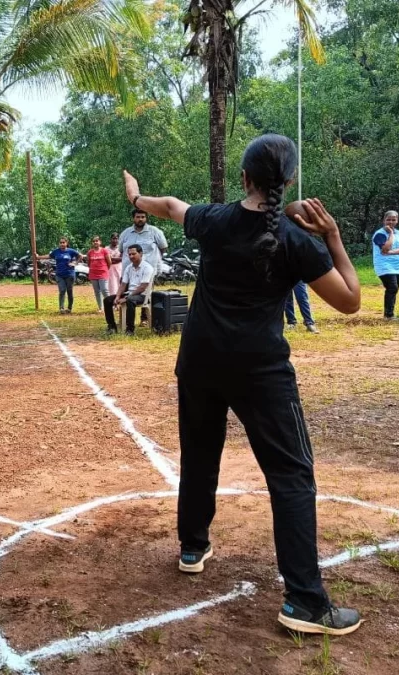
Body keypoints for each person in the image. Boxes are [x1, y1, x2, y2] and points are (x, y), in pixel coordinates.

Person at [123, 133, 363, 636]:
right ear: (290, 180)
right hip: (260, 373)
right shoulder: (297, 240)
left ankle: (193, 546)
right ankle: (303, 601)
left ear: (244, 178)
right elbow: (350, 300)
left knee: (200, 454)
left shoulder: (214, 220)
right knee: (292, 477)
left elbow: (167, 205)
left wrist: (135, 197)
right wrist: (334, 236)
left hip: (201, 362)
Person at [103, 244, 153, 335]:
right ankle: (112, 327)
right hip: (129, 293)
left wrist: (126, 298)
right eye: (129, 254)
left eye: (133, 254)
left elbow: (142, 287)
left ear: (141, 253)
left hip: (143, 295)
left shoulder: (147, 267)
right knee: (107, 300)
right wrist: (117, 296)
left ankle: (130, 330)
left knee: (130, 300)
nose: (131, 256)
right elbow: (123, 284)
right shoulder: (129, 267)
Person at [372, 210, 399, 320]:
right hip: (384, 265)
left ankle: (390, 312)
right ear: (384, 220)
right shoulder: (379, 234)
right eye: (388, 219)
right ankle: (388, 315)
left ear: (397, 221)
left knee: (394, 289)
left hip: (398, 265)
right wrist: (391, 234)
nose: (391, 222)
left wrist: (393, 252)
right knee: (392, 287)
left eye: (394, 219)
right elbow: (385, 248)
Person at [39, 237, 81, 313]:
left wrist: (75, 263)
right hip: (59, 275)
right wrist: (38, 257)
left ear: (66, 243)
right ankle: (61, 308)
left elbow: (80, 256)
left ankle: (69, 308)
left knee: (69, 291)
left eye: (63, 242)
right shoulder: (56, 252)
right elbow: (49, 256)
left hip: (69, 274)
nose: (62, 244)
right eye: (60, 243)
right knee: (62, 290)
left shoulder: (71, 251)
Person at [85, 236, 112, 312]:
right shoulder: (90, 252)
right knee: (97, 291)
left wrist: (105, 269)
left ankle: (110, 305)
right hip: (93, 274)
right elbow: (89, 263)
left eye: (97, 241)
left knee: (104, 290)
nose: (95, 242)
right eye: (94, 241)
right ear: (92, 243)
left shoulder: (104, 251)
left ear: (100, 242)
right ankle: (101, 308)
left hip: (103, 273)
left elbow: (109, 262)